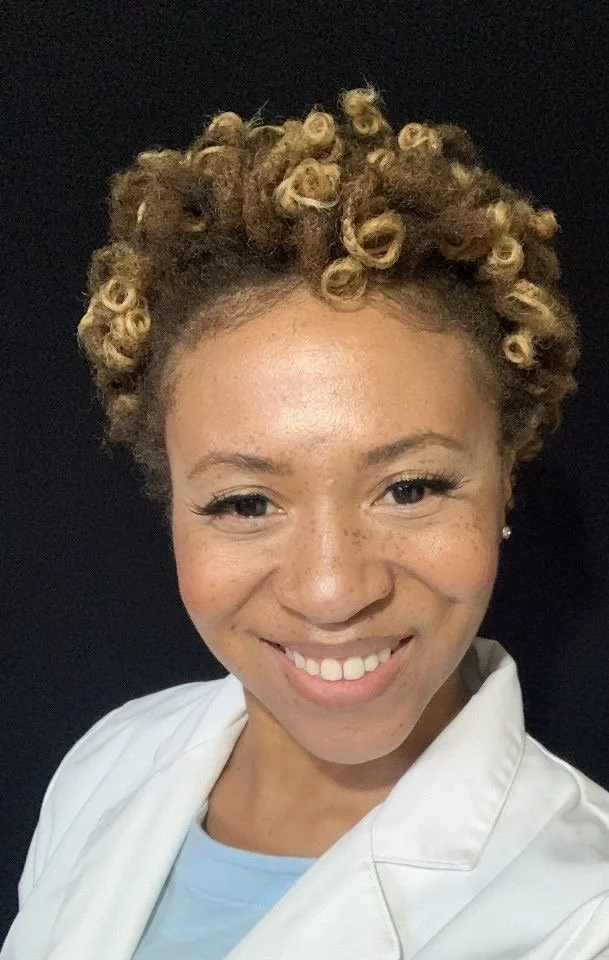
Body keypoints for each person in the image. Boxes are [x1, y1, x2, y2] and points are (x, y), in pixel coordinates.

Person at [3, 86, 609, 960]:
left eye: (410, 488)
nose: (332, 591)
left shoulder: (584, 914)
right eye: (245, 502)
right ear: (170, 501)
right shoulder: (108, 762)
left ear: (504, 483)